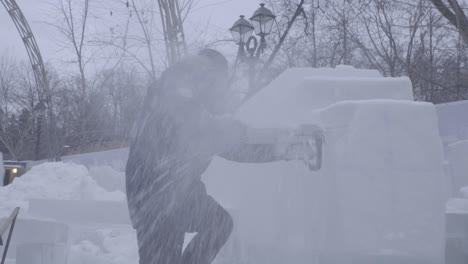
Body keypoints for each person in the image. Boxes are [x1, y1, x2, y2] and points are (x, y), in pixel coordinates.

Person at [126, 49, 317, 264]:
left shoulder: (184, 99)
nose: (219, 88)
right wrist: (247, 132)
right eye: (218, 80)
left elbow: (231, 148)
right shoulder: (175, 95)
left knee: (218, 222)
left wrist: (283, 150)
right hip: (157, 196)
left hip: (175, 194)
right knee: (167, 253)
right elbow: (212, 132)